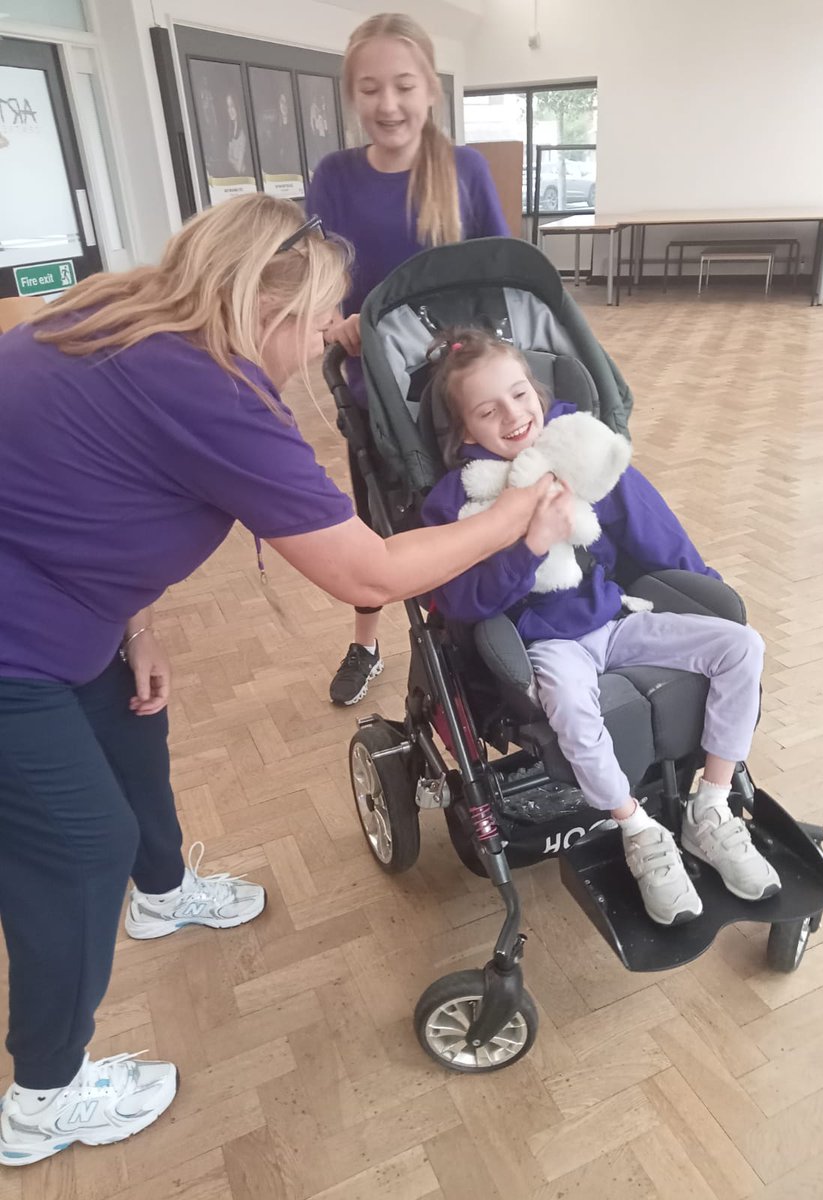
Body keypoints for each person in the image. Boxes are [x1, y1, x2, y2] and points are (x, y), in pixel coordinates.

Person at [0, 197, 553, 1167]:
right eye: (321, 319)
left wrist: (137, 618)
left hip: (58, 599)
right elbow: (367, 575)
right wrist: (511, 520)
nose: (322, 342)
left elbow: (76, 476)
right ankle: (44, 1097)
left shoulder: (112, 309)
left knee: (135, 728)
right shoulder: (213, 390)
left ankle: (164, 893)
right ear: (268, 309)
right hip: (15, 640)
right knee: (80, 849)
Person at [420, 329, 782, 927]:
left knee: (741, 645)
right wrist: (529, 547)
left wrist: (705, 587)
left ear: (536, 390)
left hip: (613, 620)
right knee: (571, 705)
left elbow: (649, 527)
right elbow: (461, 599)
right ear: (465, 431)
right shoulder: (459, 500)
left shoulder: (577, 454)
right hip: (544, 642)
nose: (513, 416)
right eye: (488, 411)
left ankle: (710, 811)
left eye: (519, 395)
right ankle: (637, 829)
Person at [305, 12, 510, 706]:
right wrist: (335, 325)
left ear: (430, 91)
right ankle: (366, 643)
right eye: (369, 89)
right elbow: (319, 280)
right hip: (376, 393)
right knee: (376, 521)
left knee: (470, 508)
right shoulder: (334, 175)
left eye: (402, 86)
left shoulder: (465, 171)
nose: (387, 105)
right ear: (352, 96)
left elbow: (499, 279)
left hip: (462, 389)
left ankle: (478, 631)